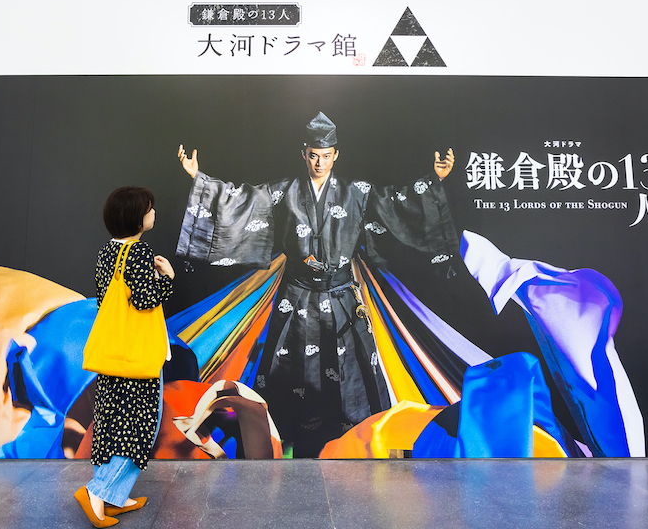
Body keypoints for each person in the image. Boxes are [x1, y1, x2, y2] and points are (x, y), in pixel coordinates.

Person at [176, 112, 457, 456]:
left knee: (353, 374)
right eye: (313, 155)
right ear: (304, 153)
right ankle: (286, 441)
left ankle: (353, 443)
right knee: (289, 372)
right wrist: (200, 179)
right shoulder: (284, 191)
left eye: (326, 156)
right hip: (296, 297)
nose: (319, 163)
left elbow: (396, 203)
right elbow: (243, 200)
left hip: (341, 296)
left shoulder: (356, 192)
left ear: (336, 155)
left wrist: (434, 179)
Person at [75, 187, 175, 528]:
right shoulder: (138, 252)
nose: (153, 213)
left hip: (113, 355)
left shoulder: (107, 252)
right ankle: (98, 492)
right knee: (140, 427)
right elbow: (145, 300)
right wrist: (167, 278)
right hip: (137, 357)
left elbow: (108, 299)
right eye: (149, 209)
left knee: (113, 424)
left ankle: (113, 496)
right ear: (137, 217)